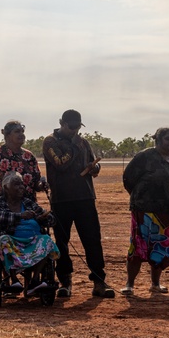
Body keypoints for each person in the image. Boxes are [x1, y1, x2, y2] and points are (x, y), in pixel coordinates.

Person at [42, 109, 115, 299]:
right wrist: (73, 147)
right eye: (72, 127)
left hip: (85, 198)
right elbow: (60, 163)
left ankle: (99, 281)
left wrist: (94, 168)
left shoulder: (84, 142)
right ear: (62, 123)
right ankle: (65, 282)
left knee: (92, 240)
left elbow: (93, 165)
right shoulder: (50, 141)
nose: (75, 131)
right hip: (62, 199)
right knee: (62, 242)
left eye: (78, 127)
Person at [121, 127, 169, 296]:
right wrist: (140, 197)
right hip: (145, 212)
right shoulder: (145, 157)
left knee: (160, 249)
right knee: (138, 248)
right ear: (158, 140)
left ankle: (155, 284)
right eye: (167, 139)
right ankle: (130, 284)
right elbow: (128, 178)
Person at [0, 171, 60, 302]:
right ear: (5, 188)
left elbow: (51, 220)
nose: (21, 187)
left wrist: (42, 218)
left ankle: (34, 282)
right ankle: (14, 280)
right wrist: (19, 216)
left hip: (32, 241)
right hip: (13, 242)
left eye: (22, 184)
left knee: (47, 240)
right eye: (16, 184)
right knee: (3, 240)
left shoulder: (28, 203)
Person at [0, 120, 48, 202]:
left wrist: (42, 184)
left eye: (22, 131)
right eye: (17, 132)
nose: (22, 135)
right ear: (7, 135)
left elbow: (36, 183)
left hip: (27, 207)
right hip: (2, 208)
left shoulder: (29, 156)